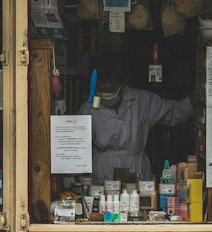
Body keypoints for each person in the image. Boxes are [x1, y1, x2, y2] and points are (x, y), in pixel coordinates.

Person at [78, 51, 194, 182]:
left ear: (122, 84)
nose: (105, 94)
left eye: (111, 89)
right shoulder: (89, 108)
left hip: (136, 168)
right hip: (103, 171)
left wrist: (194, 100)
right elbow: (79, 149)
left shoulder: (142, 100)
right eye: (102, 89)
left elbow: (173, 113)